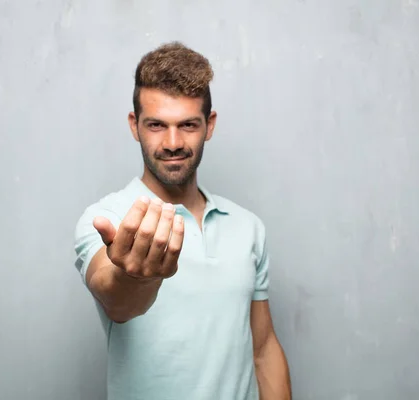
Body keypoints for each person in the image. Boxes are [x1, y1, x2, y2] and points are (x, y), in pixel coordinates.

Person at [73, 41, 292, 400]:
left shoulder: (248, 227)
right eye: (156, 125)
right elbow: (118, 301)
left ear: (209, 124)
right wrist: (133, 275)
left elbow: (263, 348)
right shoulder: (107, 218)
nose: (173, 142)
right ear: (135, 125)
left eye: (188, 124)